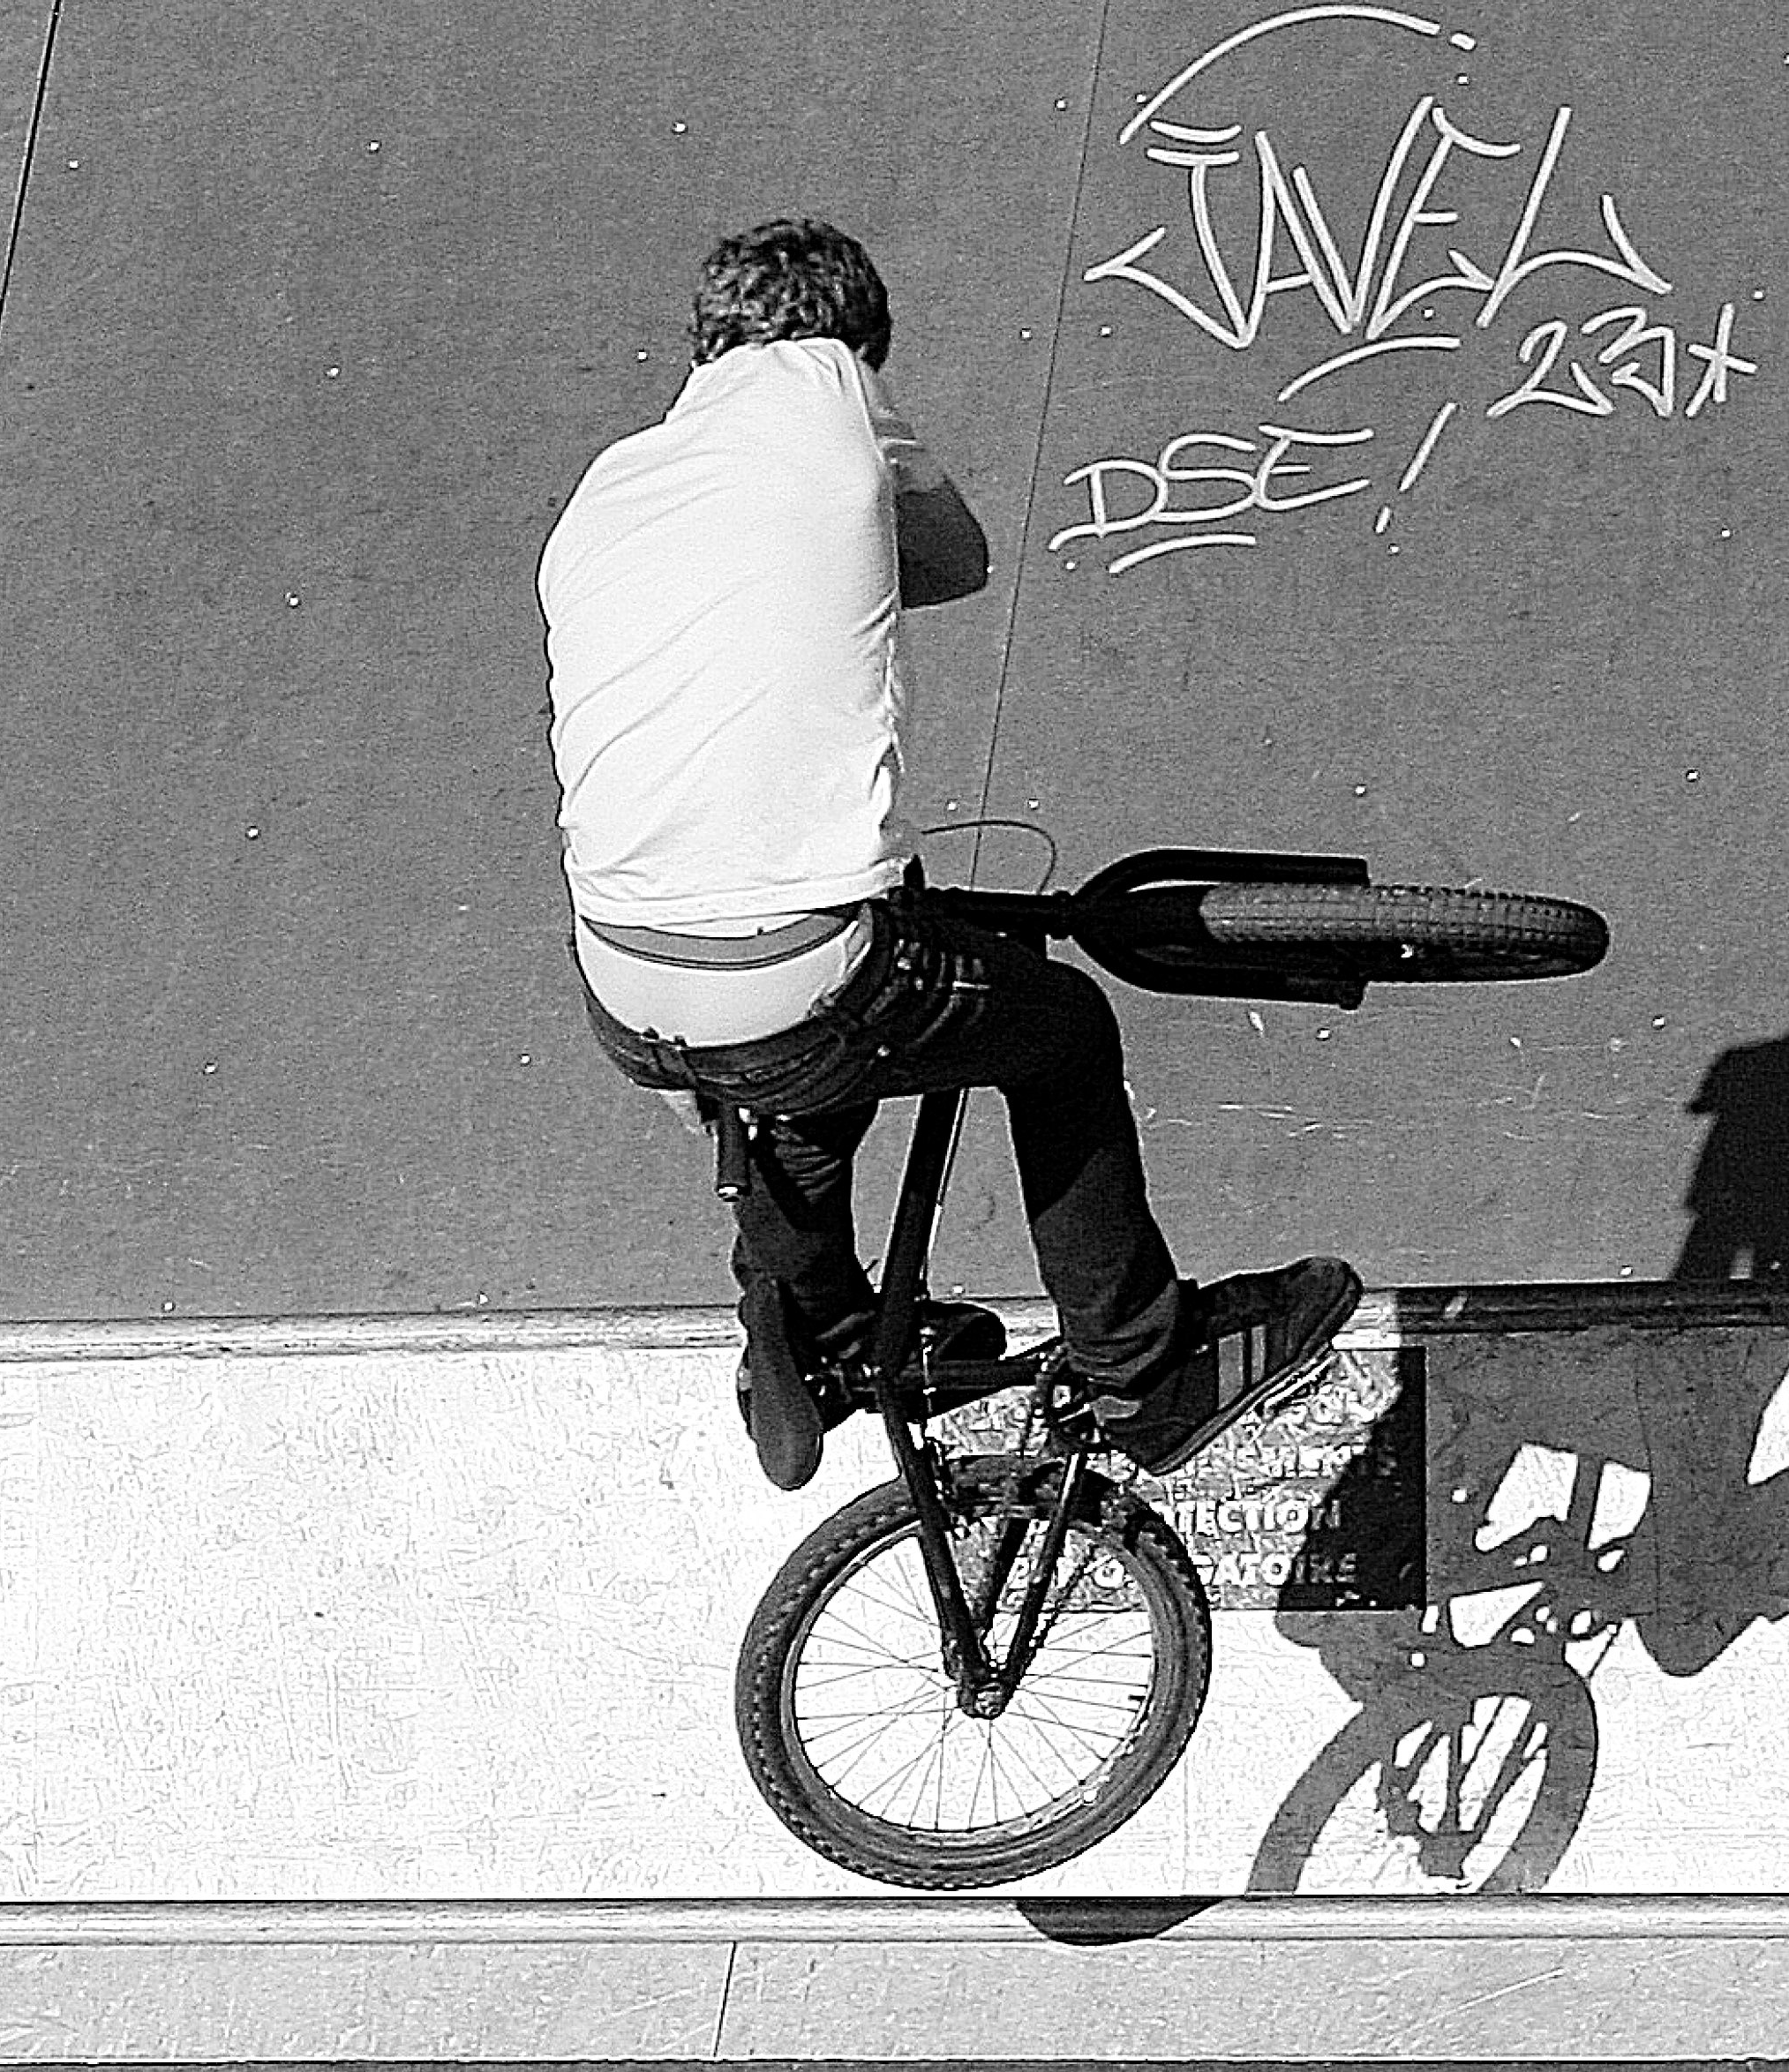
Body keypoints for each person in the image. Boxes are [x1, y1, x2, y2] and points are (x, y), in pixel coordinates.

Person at [538, 218, 1357, 1491]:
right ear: (857, 344)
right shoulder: (830, 396)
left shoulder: (610, 484)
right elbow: (959, 561)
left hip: (625, 990)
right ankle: (1150, 1372)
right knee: (1063, 1030)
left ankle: (811, 1329)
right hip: (799, 975)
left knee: (814, 1034)